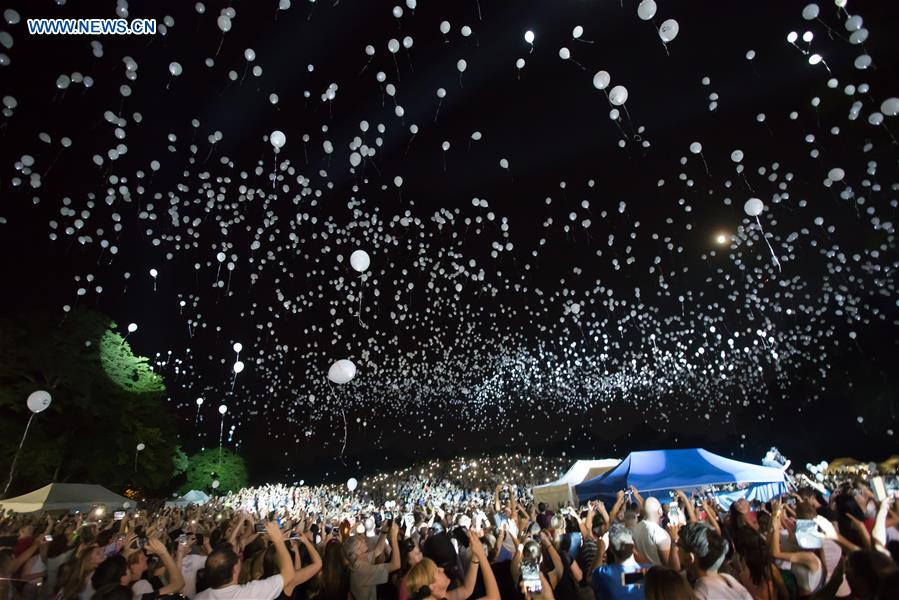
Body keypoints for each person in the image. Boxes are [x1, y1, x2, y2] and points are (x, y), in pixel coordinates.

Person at [194, 521, 291, 600]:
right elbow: (288, 575)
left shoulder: (199, 597)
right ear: (235, 569)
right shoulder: (249, 594)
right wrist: (278, 540)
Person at [405, 531, 499, 600]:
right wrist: (481, 555)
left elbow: (467, 590)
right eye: (437, 571)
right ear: (432, 587)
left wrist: (476, 556)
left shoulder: (440, 596)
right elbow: (494, 598)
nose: (441, 569)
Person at [678, 522, 752, 600]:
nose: (677, 550)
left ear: (691, 557)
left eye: (678, 546)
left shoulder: (699, 595)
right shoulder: (729, 580)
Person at [592, 523, 651, 600]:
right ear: (633, 545)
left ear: (611, 549)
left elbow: (590, 578)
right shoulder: (650, 572)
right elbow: (626, 579)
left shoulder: (603, 574)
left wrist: (600, 550)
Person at [342, 522, 400, 600]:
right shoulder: (362, 570)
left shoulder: (360, 560)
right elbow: (396, 565)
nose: (363, 540)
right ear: (357, 551)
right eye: (360, 542)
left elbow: (378, 549)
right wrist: (393, 538)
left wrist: (384, 531)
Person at [632, 498, 677, 570]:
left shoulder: (635, 528)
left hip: (643, 574)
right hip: (659, 576)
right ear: (660, 511)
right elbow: (669, 565)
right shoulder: (661, 534)